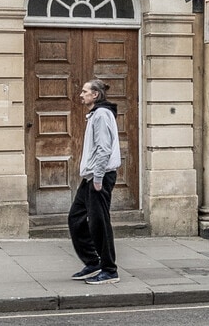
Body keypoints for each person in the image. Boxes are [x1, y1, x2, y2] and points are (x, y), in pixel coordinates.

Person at [67, 78, 121, 284]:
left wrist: (98, 178)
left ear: (95, 95)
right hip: (91, 176)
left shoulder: (101, 115)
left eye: (85, 91)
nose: (81, 95)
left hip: (100, 176)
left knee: (100, 223)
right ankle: (93, 262)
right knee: (76, 217)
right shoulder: (96, 115)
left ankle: (109, 270)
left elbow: (104, 149)